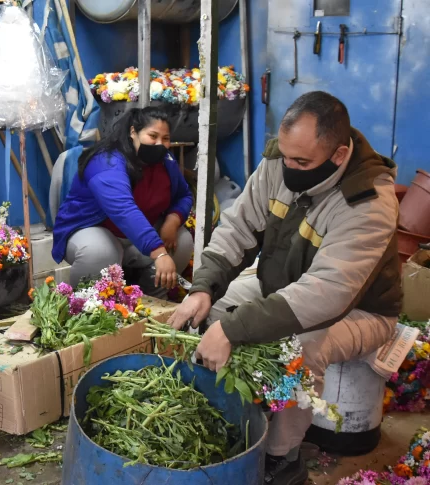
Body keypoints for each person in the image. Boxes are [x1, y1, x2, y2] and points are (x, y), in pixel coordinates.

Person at [168, 91, 401, 484]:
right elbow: (238, 228)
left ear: (339, 155)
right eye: (287, 156)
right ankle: (220, 419)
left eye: (302, 162)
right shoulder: (279, 162)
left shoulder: (367, 202)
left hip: (360, 312)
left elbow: (326, 295)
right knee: (214, 312)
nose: (289, 168)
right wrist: (203, 288)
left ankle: (281, 457)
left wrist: (236, 329)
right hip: (282, 289)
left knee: (301, 350)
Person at [51, 107, 194, 297]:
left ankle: (155, 301)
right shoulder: (106, 161)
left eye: (165, 138)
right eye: (153, 136)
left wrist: (172, 221)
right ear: (133, 132)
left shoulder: (166, 161)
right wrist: (158, 252)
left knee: (182, 240)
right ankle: (90, 305)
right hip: (94, 231)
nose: (160, 144)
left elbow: (184, 195)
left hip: (136, 239)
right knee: (100, 252)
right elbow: (123, 210)